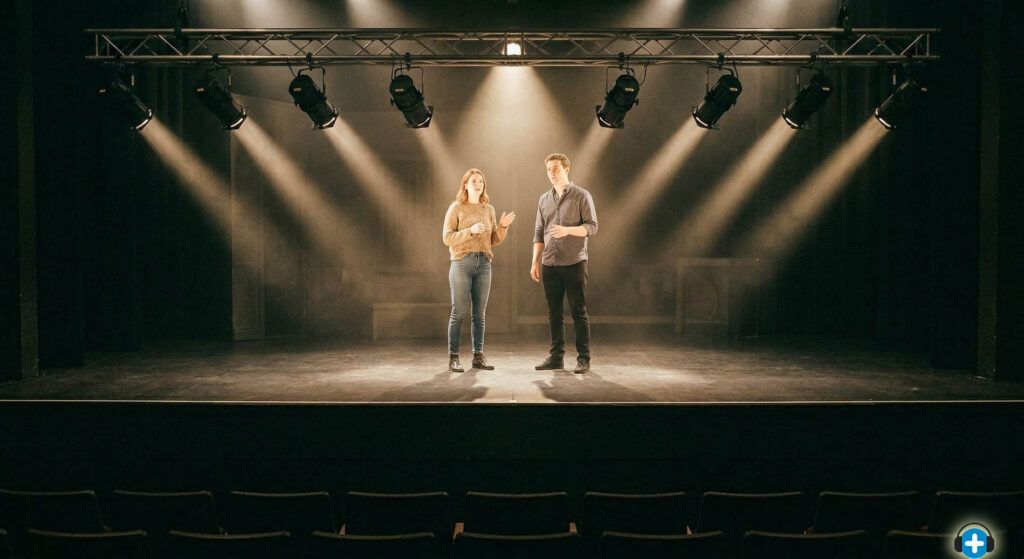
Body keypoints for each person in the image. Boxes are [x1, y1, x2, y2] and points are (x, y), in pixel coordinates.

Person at [442, 168, 516, 372]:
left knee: (479, 315)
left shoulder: (488, 209)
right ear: (465, 184)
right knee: (458, 312)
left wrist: (502, 226)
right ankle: (454, 358)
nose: (478, 184)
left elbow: (492, 241)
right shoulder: (456, 208)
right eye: (474, 180)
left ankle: (478, 356)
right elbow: (447, 237)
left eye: (481, 181)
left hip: (484, 264)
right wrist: (470, 231)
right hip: (461, 263)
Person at [531, 153, 598, 374]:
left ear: (566, 169)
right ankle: (556, 357)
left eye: (556, 168)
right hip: (549, 262)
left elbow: (592, 227)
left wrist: (568, 230)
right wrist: (535, 262)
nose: (552, 173)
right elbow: (539, 233)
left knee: (578, 311)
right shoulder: (543, 199)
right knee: (554, 312)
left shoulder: (581, 196)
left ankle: (583, 359)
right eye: (549, 169)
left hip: (574, 261)